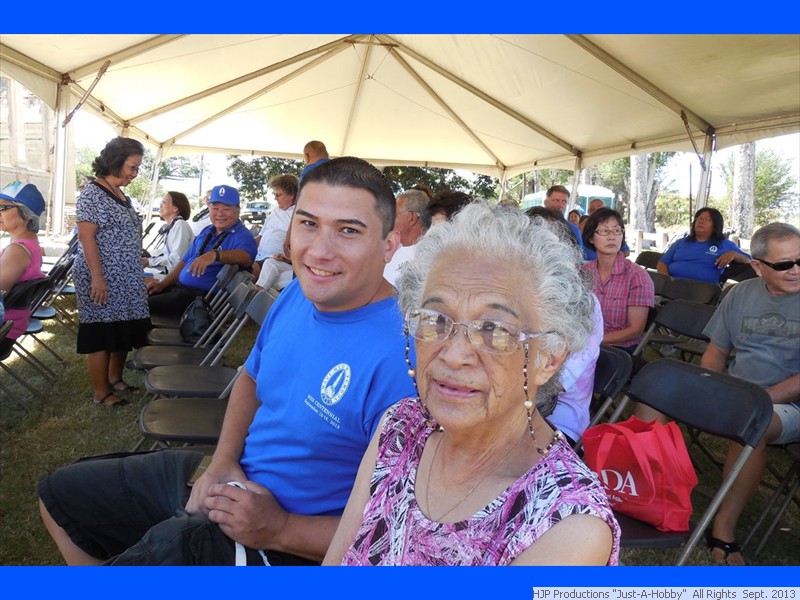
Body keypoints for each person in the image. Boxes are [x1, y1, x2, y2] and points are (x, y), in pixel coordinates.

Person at [37, 156, 416, 566]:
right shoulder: (296, 296)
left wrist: (281, 528)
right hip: (232, 479)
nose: (319, 251)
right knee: (59, 495)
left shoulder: (408, 362)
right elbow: (251, 378)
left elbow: (401, 535)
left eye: (348, 230)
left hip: (280, 540)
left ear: (389, 245)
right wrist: (223, 460)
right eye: (308, 223)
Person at [323, 202, 620, 566]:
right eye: (435, 318)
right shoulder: (399, 428)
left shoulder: (566, 524)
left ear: (549, 358)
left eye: (493, 329)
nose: (453, 354)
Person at [700, 223, 799, 566]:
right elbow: (715, 352)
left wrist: (760, 398)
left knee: (752, 422)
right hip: (739, 392)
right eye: (785, 264)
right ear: (758, 266)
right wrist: (707, 388)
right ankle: (639, 494)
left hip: (787, 404)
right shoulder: (741, 294)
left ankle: (723, 528)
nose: (796, 269)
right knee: (656, 391)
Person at [72, 137, 151, 407]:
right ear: (115, 161)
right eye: (132, 166)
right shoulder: (93, 194)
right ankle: (101, 392)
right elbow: (86, 237)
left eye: (137, 168)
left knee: (122, 328)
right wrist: (98, 276)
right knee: (100, 332)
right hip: (102, 277)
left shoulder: (121, 194)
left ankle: (115, 379)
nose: (134, 173)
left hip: (126, 277)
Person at [524, 207, 603, 447]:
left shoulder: (585, 305)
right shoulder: (515, 294)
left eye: (549, 242)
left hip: (557, 415)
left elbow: (556, 383)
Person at [147, 185, 257, 315]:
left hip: (201, 301)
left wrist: (215, 255)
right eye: (215, 208)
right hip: (180, 289)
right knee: (136, 296)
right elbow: (184, 262)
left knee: (138, 307)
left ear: (237, 211)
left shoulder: (242, 235)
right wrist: (163, 284)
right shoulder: (207, 231)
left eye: (226, 209)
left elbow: (246, 257)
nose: (220, 214)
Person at [582, 207, 654, 353]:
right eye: (604, 231)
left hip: (619, 350)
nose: (611, 237)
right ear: (591, 238)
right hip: (584, 344)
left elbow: (635, 330)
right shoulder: (583, 272)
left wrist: (594, 341)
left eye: (617, 231)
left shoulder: (637, 276)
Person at [0, 182, 46, 357]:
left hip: (4, 330)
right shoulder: (28, 244)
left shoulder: (18, 250)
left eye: (3, 207)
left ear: (26, 214)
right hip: (10, 326)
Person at [657, 207, 750, 284]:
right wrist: (667, 281)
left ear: (715, 225)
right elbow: (662, 263)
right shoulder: (681, 242)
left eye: (707, 219)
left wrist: (734, 254)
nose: (701, 221)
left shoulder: (725, 244)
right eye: (699, 218)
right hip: (671, 285)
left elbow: (749, 260)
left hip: (703, 291)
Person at [253, 174, 298, 291]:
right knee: (239, 269)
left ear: (291, 195)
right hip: (260, 258)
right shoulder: (274, 212)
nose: (275, 198)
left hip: (280, 262)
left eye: (278, 195)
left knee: (265, 267)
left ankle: (253, 299)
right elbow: (260, 236)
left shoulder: (298, 215)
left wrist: (287, 258)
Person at [383, 189, 430, 286]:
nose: (389, 220)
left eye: (394, 215)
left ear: (411, 218)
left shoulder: (429, 255)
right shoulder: (390, 249)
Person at [142, 191, 194, 279]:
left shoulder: (180, 225)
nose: (160, 205)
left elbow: (176, 260)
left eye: (164, 202)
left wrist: (149, 262)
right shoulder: (173, 226)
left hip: (178, 279)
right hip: (171, 274)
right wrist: (148, 262)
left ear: (175, 209)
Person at [543, 185, 585, 252]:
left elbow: (578, 256)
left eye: (564, 201)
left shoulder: (573, 230)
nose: (561, 205)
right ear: (546, 203)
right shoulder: (536, 225)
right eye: (556, 200)